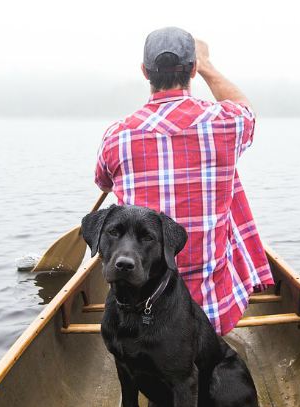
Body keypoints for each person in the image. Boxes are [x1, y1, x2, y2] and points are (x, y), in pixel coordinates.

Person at [94, 27, 273, 335]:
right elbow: (247, 110)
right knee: (231, 196)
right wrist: (207, 63)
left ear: (144, 72)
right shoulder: (227, 123)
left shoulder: (116, 136)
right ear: (192, 69)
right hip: (211, 313)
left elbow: (103, 182)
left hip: (139, 310)